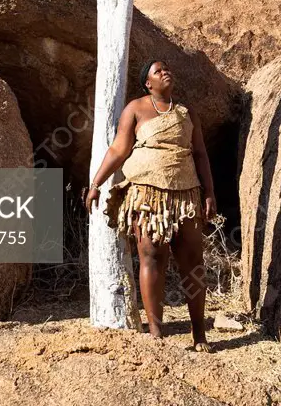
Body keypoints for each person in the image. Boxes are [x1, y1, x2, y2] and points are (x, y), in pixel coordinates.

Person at [85, 59, 217, 350]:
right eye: (158, 71)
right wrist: (96, 184)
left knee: (193, 262)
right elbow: (119, 149)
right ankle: (156, 333)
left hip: (186, 193)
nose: (166, 71)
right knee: (152, 256)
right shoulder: (135, 108)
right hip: (147, 194)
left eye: (168, 68)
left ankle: (199, 334)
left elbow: (200, 154)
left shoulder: (186, 112)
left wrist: (209, 193)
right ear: (148, 83)